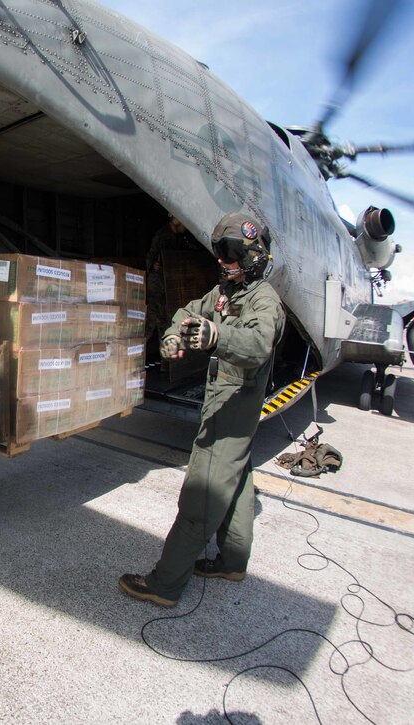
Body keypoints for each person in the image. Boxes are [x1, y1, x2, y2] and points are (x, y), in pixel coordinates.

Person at [119, 211, 285, 607]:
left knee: (202, 496)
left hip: (233, 408)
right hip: (226, 407)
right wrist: (173, 338)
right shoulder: (228, 292)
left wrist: (216, 335)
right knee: (238, 480)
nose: (222, 261)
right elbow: (190, 312)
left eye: (230, 252)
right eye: (219, 252)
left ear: (252, 254)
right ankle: (232, 561)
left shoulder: (264, 301)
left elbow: (258, 345)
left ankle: (164, 585)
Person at [145, 215, 196, 347]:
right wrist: (152, 265)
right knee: (152, 319)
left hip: (169, 285)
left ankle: (166, 362)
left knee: (165, 321)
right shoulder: (162, 235)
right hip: (157, 285)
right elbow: (151, 255)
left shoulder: (180, 238)